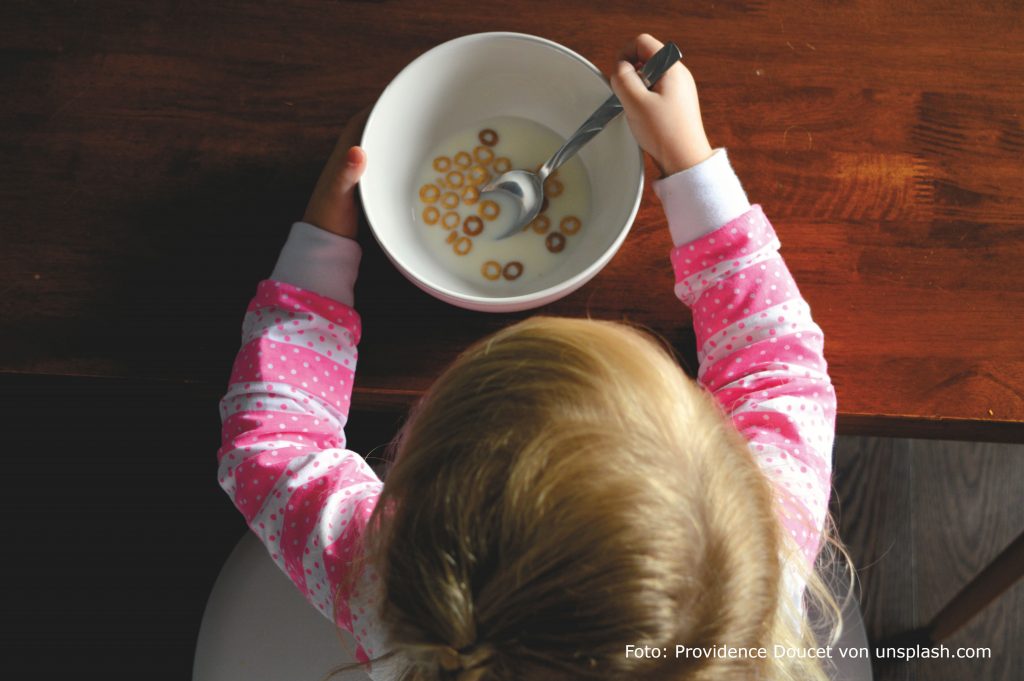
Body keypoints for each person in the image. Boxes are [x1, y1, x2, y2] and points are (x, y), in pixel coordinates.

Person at [217, 33, 849, 681]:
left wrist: (321, 242)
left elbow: (270, 444)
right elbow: (777, 367)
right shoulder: (763, 559)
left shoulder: (385, 582)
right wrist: (690, 162)